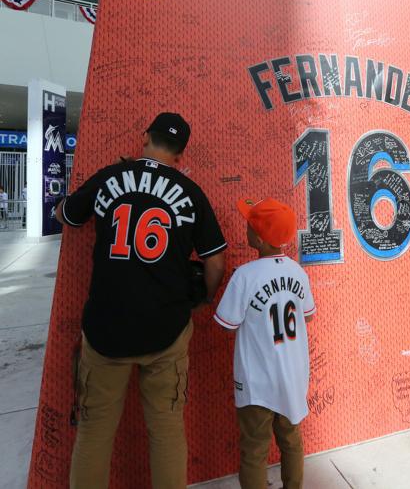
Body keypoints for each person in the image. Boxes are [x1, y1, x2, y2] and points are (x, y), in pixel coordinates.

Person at [56, 112, 227, 489]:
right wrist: (202, 297)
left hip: (105, 331)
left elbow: (67, 214)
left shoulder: (110, 177)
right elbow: (215, 260)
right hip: (166, 328)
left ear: (145, 136)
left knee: (94, 432)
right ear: (181, 154)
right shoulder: (191, 192)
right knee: (166, 430)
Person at [214, 198, 316, 489]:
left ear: (257, 239)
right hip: (293, 376)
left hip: (257, 381)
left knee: (254, 451)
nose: (245, 227)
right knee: (291, 441)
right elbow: (307, 316)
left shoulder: (245, 275)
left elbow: (225, 323)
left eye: (249, 224)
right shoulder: (298, 271)